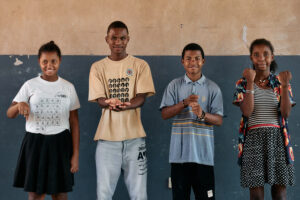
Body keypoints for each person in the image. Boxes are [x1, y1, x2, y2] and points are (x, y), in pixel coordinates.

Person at [88, 21, 155, 200]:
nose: (118, 42)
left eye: (122, 38)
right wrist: (108, 102)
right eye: (114, 38)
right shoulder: (97, 67)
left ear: (128, 39)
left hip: (135, 139)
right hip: (107, 140)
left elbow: (141, 96)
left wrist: (129, 104)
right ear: (107, 39)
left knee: (139, 194)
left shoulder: (140, 65)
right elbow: (99, 99)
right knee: (103, 194)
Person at [7, 41, 80, 200]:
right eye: (44, 61)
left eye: (53, 61)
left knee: (60, 194)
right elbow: (9, 113)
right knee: (35, 194)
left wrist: (75, 154)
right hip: (35, 143)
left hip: (60, 143)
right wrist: (19, 104)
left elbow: (74, 122)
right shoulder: (30, 85)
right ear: (39, 62)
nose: (49, 65)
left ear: (59, 60)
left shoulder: (68, 87)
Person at [233, 38, 295, 200]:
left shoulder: (281, 82)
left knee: (280, 194)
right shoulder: (242, 83)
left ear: (272, 57)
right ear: (251, 58)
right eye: (256, 55)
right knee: (256, 196)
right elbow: (247, 112)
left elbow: (286, 113)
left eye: (265, 54)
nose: (261, 58)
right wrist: (251, 83)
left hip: (278, 140)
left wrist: (284, 85)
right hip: (253, 140)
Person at [160, 43, 223, 200]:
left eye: (197, 58)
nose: (193, 62)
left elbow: (219, 120)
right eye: (188, 58)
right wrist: (184, 103)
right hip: (179, 158)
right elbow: (164, 114)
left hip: (204, 157)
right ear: (182, 61)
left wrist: (202, 114)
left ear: (203, 61)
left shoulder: (213, 88)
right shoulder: (174, 86)